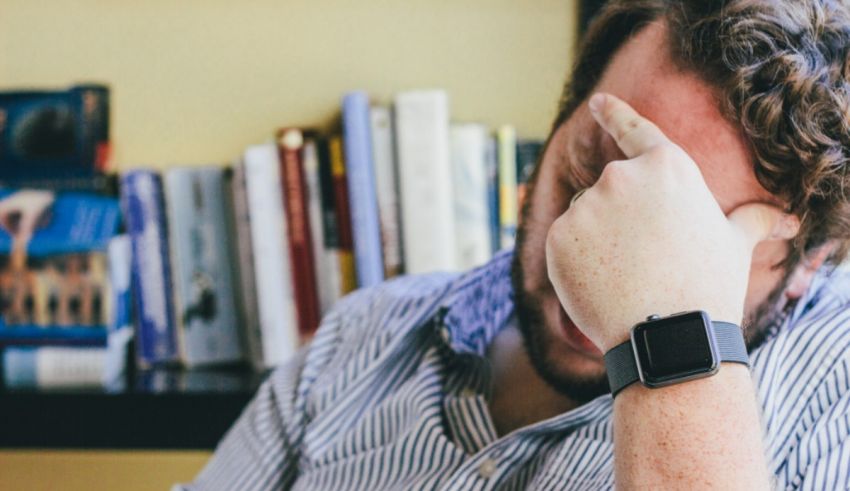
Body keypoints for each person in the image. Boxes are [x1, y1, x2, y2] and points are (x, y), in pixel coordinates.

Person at [181, 1, 850, 488]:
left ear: (803, 267)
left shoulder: (832, 401)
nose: (595, 268)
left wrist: (672, 347)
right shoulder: (361, 336)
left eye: (689, 238)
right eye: (589, 177)